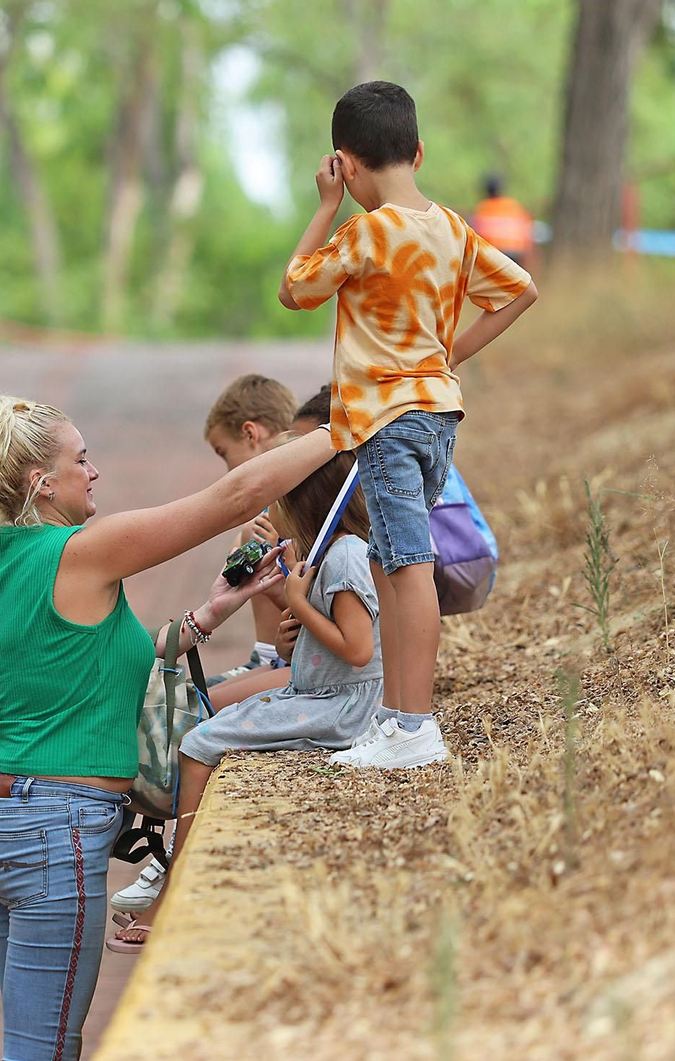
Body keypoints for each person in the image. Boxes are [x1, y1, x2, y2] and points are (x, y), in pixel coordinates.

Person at [0, 389, 333, 1061]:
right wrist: (357, 418)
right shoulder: (86, 550)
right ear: (43, 483)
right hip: (50, 826)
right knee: (44, 1055)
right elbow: (235, 498)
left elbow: (82, 663)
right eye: (81, 459)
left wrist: (206, 617)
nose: (93, 472)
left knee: (33, 1045)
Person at [278, 80, 537, 770]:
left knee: (406, 566)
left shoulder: (364, 232)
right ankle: (396, 718)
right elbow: (521, 289)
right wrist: (447, 356)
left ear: (346, 163)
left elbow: (296, 286)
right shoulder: (451, 226)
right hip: (436, 415)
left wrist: (326, 205)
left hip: (388, 421)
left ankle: (415, 727)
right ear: (419, 151)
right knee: (391, 564)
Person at [110, 449, 381, 952]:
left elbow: (360, 651)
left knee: (197, 743)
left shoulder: (344, 555)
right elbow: (327, 639)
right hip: (320, 691)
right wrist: (288, 611)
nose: (267, 511)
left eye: (275, 499)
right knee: (215, 719)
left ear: (301, 501)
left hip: (340, 705)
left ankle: (174, 889)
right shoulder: (328, 552)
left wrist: (299, 601)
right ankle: (170, 875)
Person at [203, 374, 299, 678]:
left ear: (249, 434)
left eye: (223, 453)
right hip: (278, 656)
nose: (228, 469)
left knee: (191, 705)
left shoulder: (289, 509)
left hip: (286, 662)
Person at [469, 173, 537, 268]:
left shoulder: (483, 208)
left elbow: (475, 236)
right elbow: (528, 233)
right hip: (517, 252)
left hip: (495, 253)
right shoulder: (514, 205)